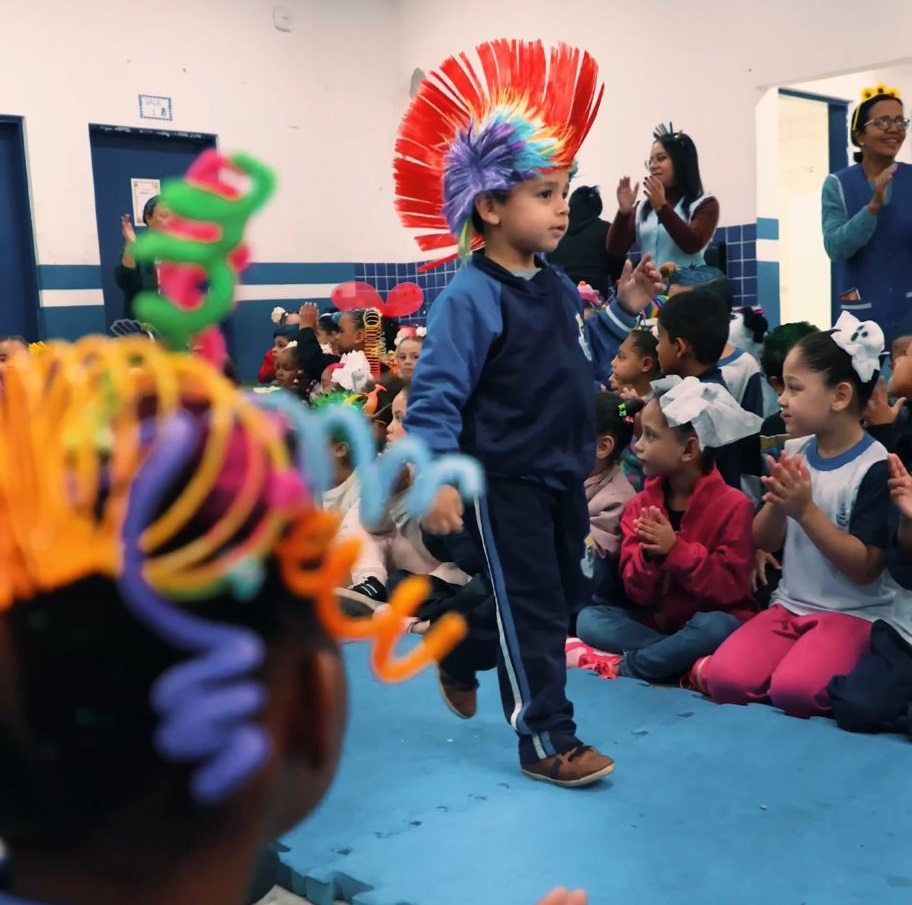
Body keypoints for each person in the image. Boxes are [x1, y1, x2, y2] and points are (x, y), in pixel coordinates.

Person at [394, 38, 661, 787]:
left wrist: (624, 310)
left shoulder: (552, 284)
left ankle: (459, 641)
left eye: (563, 189)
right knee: (536, 608)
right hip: (503, 479)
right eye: (544, 193)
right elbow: (435, 397)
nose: (561, 207)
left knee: (563, 595)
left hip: (560, 473)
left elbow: (583, 357)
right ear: (490, 205)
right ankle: (547, 739)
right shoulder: (470, 297)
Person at [704, 314, 895, 718]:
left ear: (839, 396)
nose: (782, 400)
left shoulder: (875, 467)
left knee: (795, 690)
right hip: (789, 606)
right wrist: (778, 503)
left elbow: (865, 569)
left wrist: (806, 511)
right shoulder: (793, 453)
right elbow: (762, 540)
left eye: (794, 388)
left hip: (851, 614)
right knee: (724, 679)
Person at [572, 378, 759, 684]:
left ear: (689, 449)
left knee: (719, 626)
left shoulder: (734, 506)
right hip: (655, 625)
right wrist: (650, 557)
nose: (638, 445)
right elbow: (636, 593)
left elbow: (730, 590)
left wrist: (676, 551)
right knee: (589, 619)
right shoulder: (640, 505)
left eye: (651, 436)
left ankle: (635, 666)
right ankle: (677, 660)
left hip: (707, 622)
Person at [822, 84, 912, 339]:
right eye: (883, 122)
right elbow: (835, 247)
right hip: (860, 323)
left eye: (900, 121)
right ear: (859, 135)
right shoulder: (838, 184)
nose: (894, 128)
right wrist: (872, 208)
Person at [608, 124, 722, 288]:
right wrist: (623, 212)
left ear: (681, 162)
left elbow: (692, 244)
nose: (654, 165)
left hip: (687, 293)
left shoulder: (705, 203)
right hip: (649, 293)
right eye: (651, 161)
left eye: (661, 158)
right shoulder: (642, 207)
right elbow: (615, 249)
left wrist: (662, 207)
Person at [655, 289, 748, 488]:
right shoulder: (703, 390)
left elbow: (660, 453)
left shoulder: (696, 405)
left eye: (660, 339)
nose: (657, 348)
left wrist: (627, 415)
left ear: (679, 347)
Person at [547, 185, 626, 296]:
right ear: (598, 207)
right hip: (595, 297)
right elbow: (620, 271)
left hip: (559, 295)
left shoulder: (556, 231)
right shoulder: (607, 230)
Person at [114, 195, 171, 321]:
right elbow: (125, 281)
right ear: (148, 218)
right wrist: (131, 245)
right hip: (143, 324)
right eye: (164, 215)